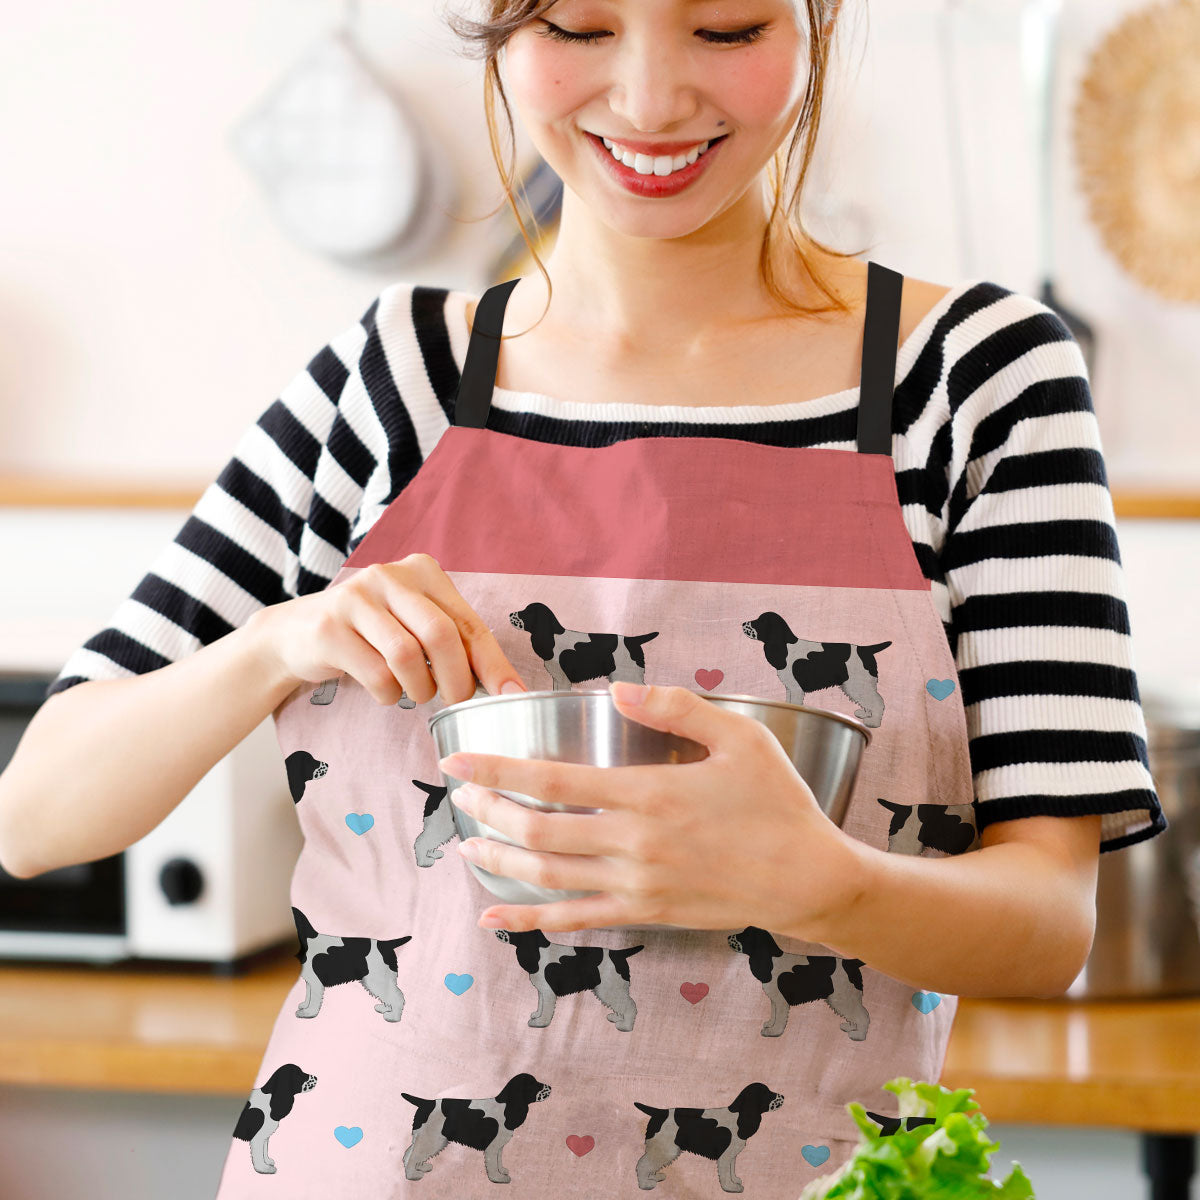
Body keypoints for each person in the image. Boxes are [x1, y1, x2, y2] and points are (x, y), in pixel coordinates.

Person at [0, 0, 1166, 1194]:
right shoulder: (394, 380)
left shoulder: (975, 382)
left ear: (816, 23)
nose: (653, 100)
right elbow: (35, 815)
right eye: (578, 25)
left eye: (727, 29)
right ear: (499, 32)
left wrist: (820, 883)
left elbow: (1047, 924)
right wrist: (276, 642)